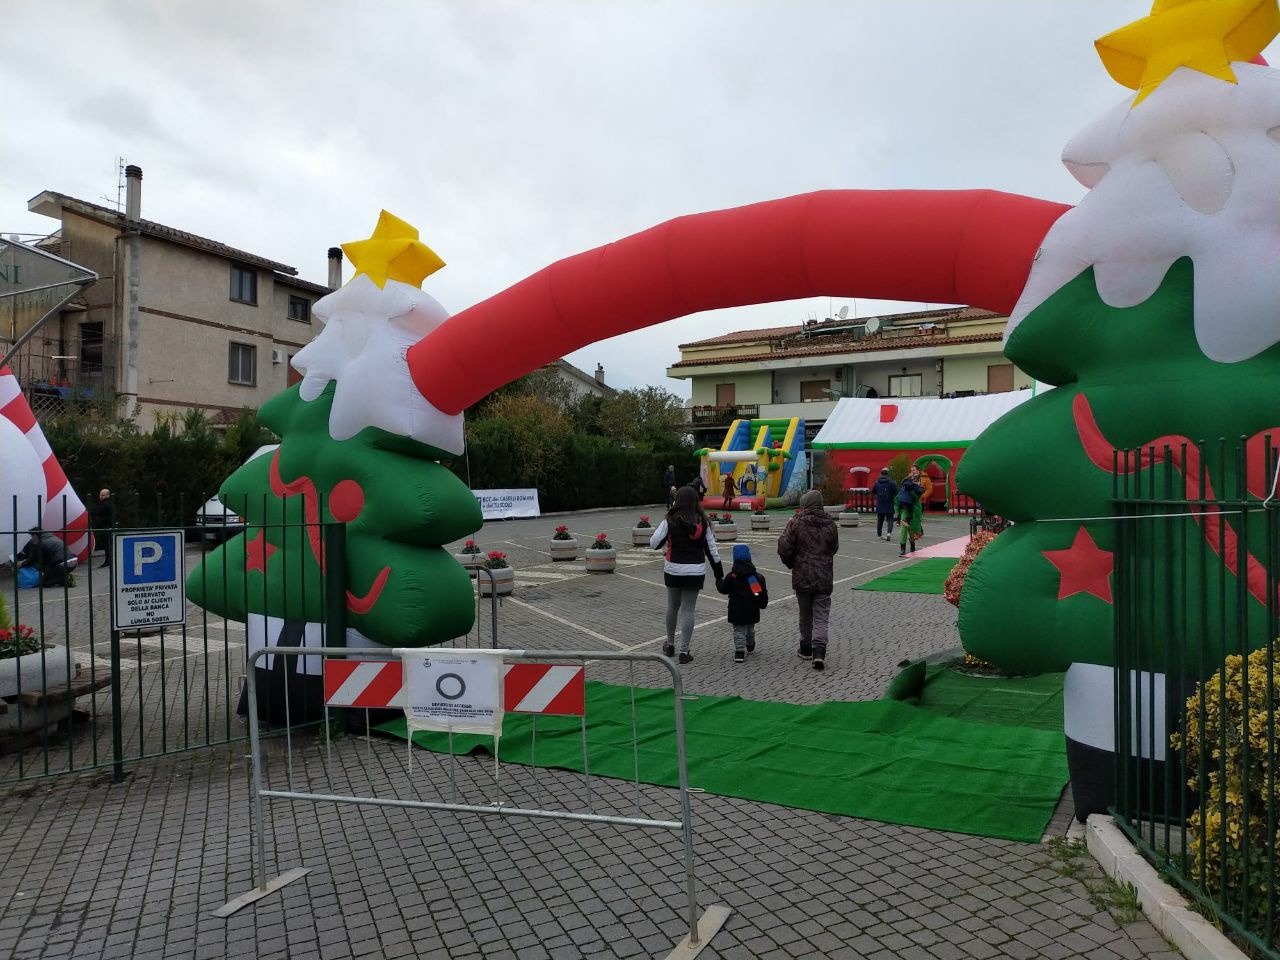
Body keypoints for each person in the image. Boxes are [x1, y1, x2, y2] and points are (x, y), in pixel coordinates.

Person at [650, 485, 723, 665]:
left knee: (672, 607)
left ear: (678, 501)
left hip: (673, 569)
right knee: (688, 610)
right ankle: (685, 651)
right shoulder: (703, 523)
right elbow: (712, 551)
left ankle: (670, 644)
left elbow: (653, 543)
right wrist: (719, 574)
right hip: (695, 571)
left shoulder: (670, 520)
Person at [777, 490, 839, 671]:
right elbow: (834, 547)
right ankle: (819, 652)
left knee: (805, 615)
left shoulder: (795, 522)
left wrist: (792, 563)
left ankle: (805, 648)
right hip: (824, 577)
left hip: (802, 577)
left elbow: (784, 547)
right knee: (821, 616)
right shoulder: (831, 524)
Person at [717, 543, 769, 664]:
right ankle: (750, 645)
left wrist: (718, 581)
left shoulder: (732, 577)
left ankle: (739, 652)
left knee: (739, 630)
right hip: (752, 609)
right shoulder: (755, 578)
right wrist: (762, 603)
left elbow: (724, 589)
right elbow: (759, 594)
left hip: (736, 609)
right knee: (750, 629)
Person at [896, 470, 926, 556]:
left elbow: (915, 500)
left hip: (911, 510)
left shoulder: (907, 486)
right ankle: (903, 548)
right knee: (903, 530)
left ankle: (912, 545)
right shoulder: (911, 487)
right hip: (906, 510)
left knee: (911, 530)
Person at [872, 468, 898, 541]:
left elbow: (873, 491)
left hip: (880, 504)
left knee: (880, 520)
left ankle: (879, 535)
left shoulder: (877, 482)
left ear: (881, 473)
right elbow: (896, 492)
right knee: (890, 519)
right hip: (889, 503)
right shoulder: (892, 482)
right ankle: (889, 533)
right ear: (887, 474)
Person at [94, 488, 116, 568]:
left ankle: (108, 561)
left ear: (107, 495)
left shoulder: (106, 504)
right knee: (107, 545)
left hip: (106, 527)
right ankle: (108, 560)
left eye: (103, 495)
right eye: (100, 495)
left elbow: (97, 511)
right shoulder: (108, 503)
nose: (101, 497)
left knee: (107, 545)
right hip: (107, 526)